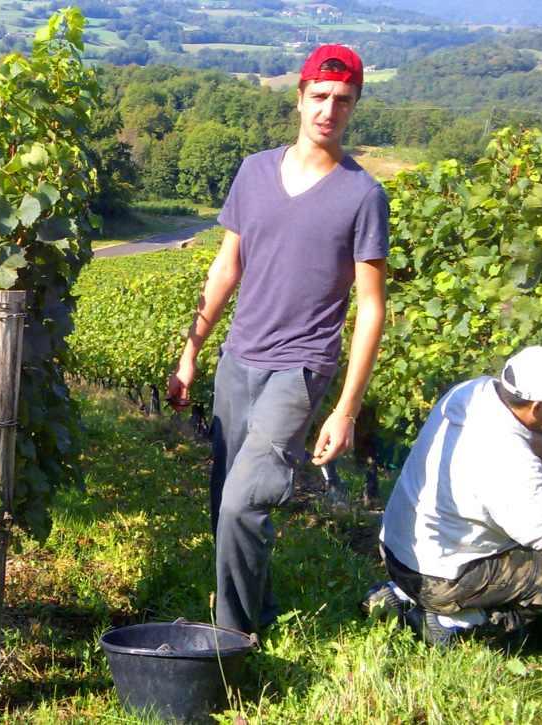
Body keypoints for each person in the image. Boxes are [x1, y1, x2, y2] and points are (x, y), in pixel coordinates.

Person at [167, 44, 389, 634]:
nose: (329, 110)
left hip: (301, 368)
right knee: (224, 505)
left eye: (343, 100)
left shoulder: (364, 196)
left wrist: (346, 409)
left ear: (355, 105)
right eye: (319, 96)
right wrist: (191, 351)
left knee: (246, 502)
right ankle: (256, 608)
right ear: (299, 97)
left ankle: (233, 640)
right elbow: (225, 268)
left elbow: (371, 309)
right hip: (238, 358)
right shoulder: (254, 172)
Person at [369, 346, 542, 646]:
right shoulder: (509, 461)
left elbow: (520, 436)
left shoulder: (473, 393)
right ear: (538, 407)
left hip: (398, 550)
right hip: (439, 578)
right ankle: (457, 623)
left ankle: (402, 594)